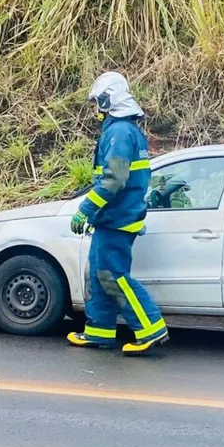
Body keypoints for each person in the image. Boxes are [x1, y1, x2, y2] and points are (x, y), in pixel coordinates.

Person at [67, 71, 169, 356]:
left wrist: (84, 210)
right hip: (112, 218)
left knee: (114, 276)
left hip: (118, 219)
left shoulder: (120, 132)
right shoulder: (125, 130)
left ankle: (151, 327)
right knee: (98, 274)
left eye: (97, 103)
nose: (95, 109)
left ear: (107, 100)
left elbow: (113, 179)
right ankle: (99, 330)